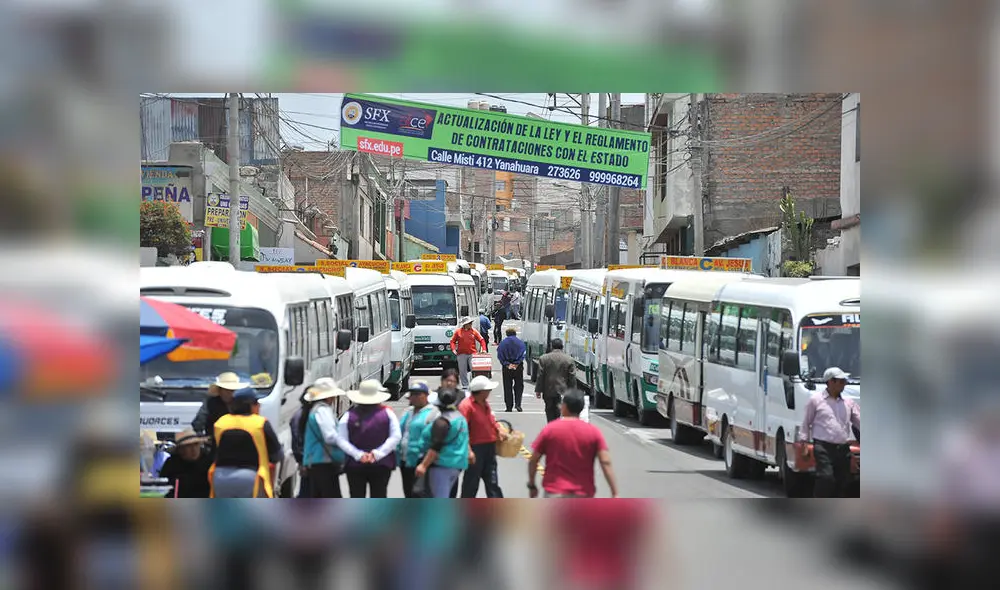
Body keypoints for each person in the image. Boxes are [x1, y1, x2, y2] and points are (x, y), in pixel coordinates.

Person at [528, 390, 619, 498]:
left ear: (564, 407)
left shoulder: (550, 429)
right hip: (583, 493)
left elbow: (534, 459)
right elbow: (605, 461)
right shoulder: (593, 432)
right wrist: (614, 492)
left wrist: (532, 485)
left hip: (554, 492)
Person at [209, 386, 284, 498]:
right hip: (251, 478)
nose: (259, 406)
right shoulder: (260, 423)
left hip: (220, 477)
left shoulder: (220, 422)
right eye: (256, 403)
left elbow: (214, 453)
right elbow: (277, 455)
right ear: (249, 405)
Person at [798, 367, 861, 498]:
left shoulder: (848, 403)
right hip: (823, 448)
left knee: (843, 481)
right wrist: (803, 443)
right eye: (841, 381)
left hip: (842, 448)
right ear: (830, 382)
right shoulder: (816, 401)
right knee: (826, 478)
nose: (844, 384)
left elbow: (859, 421)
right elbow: (806, 423)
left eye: (844, 381)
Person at [338, 380, 402, 498]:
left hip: (355, 464)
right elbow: (396, 436)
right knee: (379, 495)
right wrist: (377, 454)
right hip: (381, 463)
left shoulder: (349, 415)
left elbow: (341, 440)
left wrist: (358, 455)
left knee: (356, 496)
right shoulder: (387, 413)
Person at [415, 388, 473, 498]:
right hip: (456, 464)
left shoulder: (442, 422)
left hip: (441, 465)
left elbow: (435, 447)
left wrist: (423, 465)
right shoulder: (460, 418)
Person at [458, 375, 508, 498]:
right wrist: (468, 451)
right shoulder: (466, 406)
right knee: (471, 483)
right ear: (481, 392)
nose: (490, 392)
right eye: (488, 390)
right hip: (475, 448)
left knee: (492, 482)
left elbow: (491, 420)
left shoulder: (484, 403)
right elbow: (462, 430)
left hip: (489, 447)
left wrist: (498, 430)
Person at [300, 378, 349, 498]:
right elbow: (330, 436)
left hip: (316, 462)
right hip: (323, 464)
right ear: (328, 397)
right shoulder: (323, 410)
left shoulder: (315, 410)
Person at [398, 380, 439, 497]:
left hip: (423, 460)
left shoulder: (433, 414)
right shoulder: (408, 413)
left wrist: (424, 464)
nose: (414, 397)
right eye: (412, 394)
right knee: (409, 493)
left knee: (420, 494)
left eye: (418, 394)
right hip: (406, 460)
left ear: (426, 396)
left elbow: (436, 442)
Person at [192, 372, 248, 445]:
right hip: (215, 442)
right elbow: (198, 422)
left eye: (232, 390)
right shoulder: (211, 403)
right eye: (226, 390)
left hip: (239, 441)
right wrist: (202, 437)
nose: (229, 393)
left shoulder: (242, 403)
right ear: (220, 391)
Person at [158, 428, 212, 498]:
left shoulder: (208, 462)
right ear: (180, 449)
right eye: (188, 446)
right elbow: (162, 488)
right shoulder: (172, 464)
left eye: (196, 444)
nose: (194, 449)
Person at [535, 338, 578, 423]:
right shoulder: (569, 359)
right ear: (562, 347)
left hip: (548, 389)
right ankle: (558, 428)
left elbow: (540, 376)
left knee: (549, 410)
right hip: (562, 390)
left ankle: (551, 427)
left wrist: (538, 390)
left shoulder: (544, 358)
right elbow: (572, 377)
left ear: (551, 346)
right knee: (560, 411)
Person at [450, 316, 488, 389]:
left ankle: (474, 384)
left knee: (474, 369)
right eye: (469, 323)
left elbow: (482, 340)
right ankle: (465, 385)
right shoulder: (458, 332)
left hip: (472, 353)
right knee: (462, 370)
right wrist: (453, 349)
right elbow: (452, 341)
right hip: (461, 353)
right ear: (465, 324)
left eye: (471, 323)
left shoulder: (474, 331)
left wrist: (484, 349)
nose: (471, 324)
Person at [497, 326, 526, 412]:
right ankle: (518, 404)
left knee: (507, 386)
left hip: (507, 367)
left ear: (506, 334)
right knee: (519, 386)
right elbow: (523, 353)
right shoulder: (520, 343)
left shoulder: (502, 343)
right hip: (518, 366)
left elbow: (500, 355)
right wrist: (517, 363)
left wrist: (507, 364)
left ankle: (509, 406)